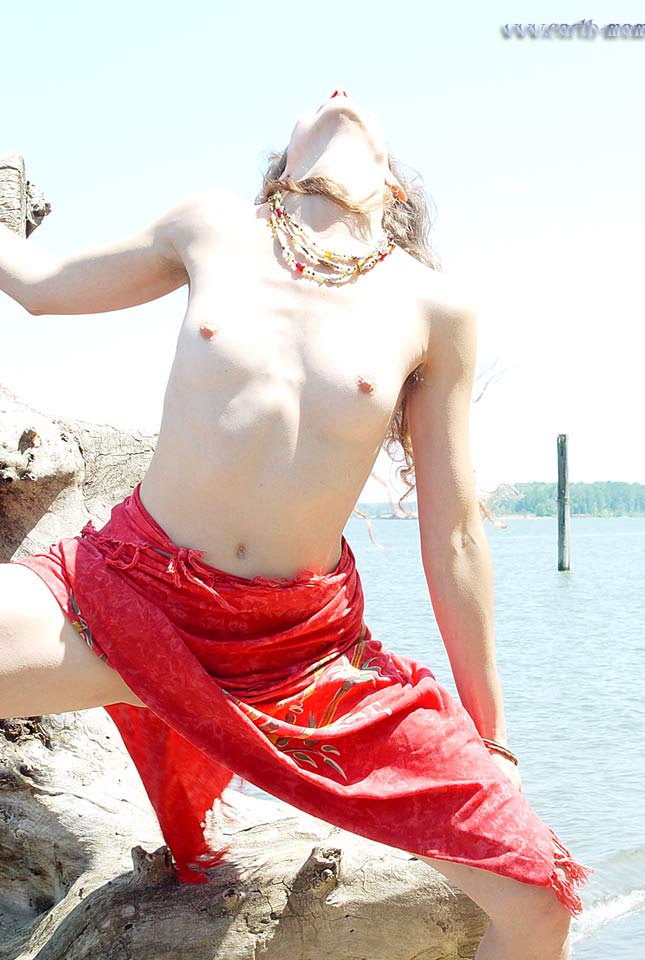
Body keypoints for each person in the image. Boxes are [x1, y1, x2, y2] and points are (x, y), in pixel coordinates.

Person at [0, 88, 592, 959]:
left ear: (395, 189)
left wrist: (492, 735)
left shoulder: (435, 309)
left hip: (298, 656)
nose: (340, 94)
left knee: (539, 901)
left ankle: (185, 699)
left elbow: (455, 535)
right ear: (281, 170)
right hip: (121, 593)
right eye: (319, 98)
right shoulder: (213, 226)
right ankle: (154, 687)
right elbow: (41, 288)